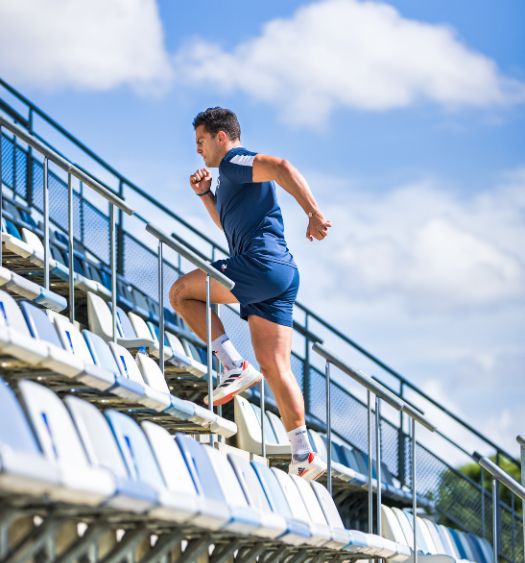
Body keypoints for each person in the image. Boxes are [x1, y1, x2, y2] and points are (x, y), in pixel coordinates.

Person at [169, 107, 332, 480]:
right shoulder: (228, 180)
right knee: (275, 366)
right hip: (280, 274)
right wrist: (205, 195)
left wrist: (313, 212)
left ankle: (232, 364)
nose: (198, 150)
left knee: (181, 293)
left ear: (221, 137)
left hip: (260, 265)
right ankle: (304, 453)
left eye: (201, 141)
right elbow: (229, 226)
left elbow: (282, 166)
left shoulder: (234, 162)